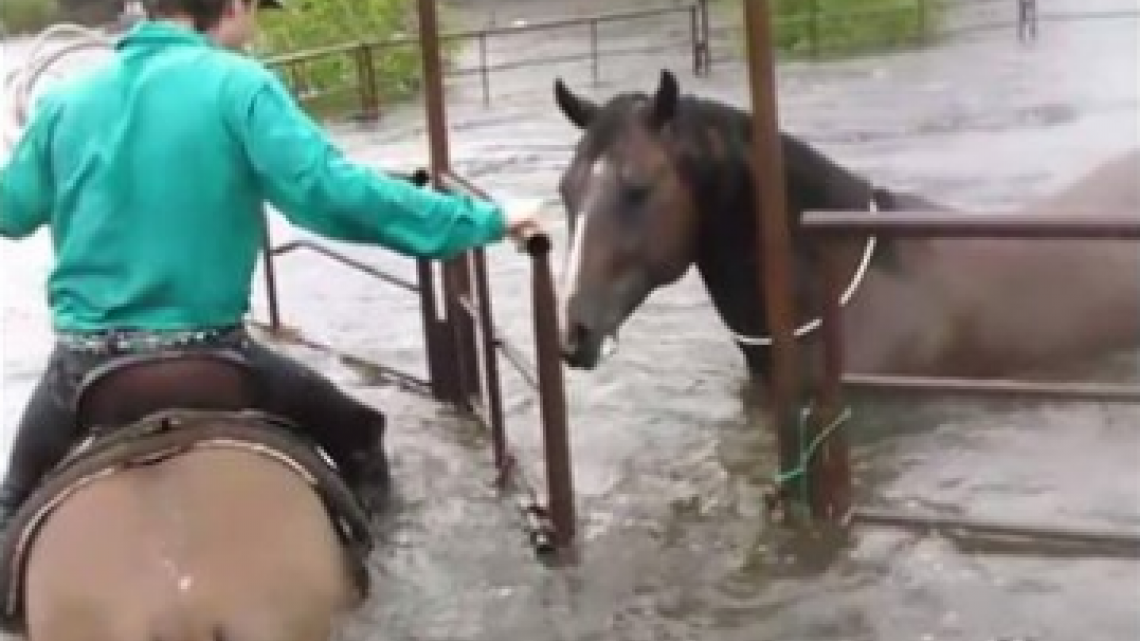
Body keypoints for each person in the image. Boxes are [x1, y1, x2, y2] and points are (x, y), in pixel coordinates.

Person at [0, 0, 543, 534]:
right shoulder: (240, 85)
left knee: (12, 505)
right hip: (211, 358)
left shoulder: (64, 102)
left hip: (85, 371)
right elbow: (333, 194)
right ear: (232, 6)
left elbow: (11, 211)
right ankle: (374, 554)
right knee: (359, 432)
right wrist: (482, 220)